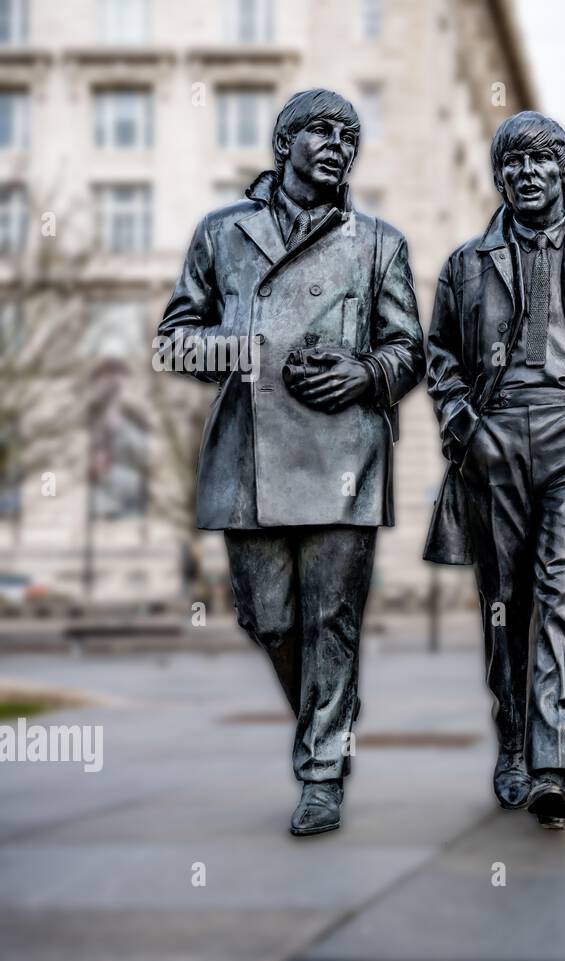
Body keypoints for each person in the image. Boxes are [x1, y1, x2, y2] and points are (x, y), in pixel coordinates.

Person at [158, 89, 424, 836]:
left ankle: (321, 770)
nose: (340, 143)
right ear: (284, 145)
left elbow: (411, 350)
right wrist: (240, 347)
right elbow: (174, 335)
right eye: (323, 130)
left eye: (351, 134)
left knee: (332, 620)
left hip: (344, 456)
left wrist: (366, 374)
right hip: (249, 458)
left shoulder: (379, 243)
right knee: (267, 616)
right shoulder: (222, 234)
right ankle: (325, 705)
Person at [424, 111, 565, 829]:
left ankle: (553, 764)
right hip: (496, 440)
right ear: (500, 178)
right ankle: (515, 741)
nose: (527, 173)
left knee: (563, 592)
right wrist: (467, 427)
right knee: (505, 604)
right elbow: (442, 360)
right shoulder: (467, 265)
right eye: (514, 163)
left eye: (542, 161)